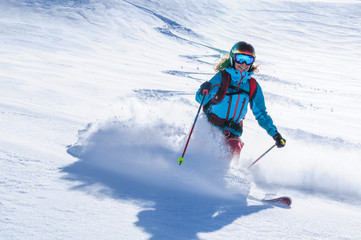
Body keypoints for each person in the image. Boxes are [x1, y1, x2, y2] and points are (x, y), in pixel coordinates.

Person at [195, 41, 286, 158]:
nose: (244, 64)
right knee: (203, 155)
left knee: (231, 154)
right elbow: (199, 99)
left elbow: (261, 114)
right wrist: (204, 90)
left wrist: (275, 135)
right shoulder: (222, 77)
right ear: (233, 59)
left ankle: (230, 175)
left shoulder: (252, 86)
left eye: (248, 60)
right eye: (240, 58)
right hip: (211, 127)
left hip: (233, 133)